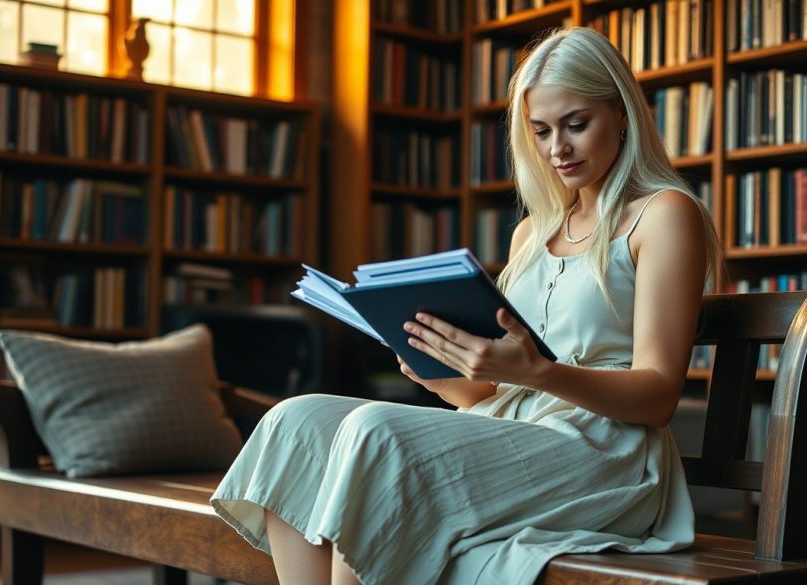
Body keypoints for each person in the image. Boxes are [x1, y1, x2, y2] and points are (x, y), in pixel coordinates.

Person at [211, 26, 721, 585]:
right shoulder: (532, 234)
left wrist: (542, 373)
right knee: (296, 420)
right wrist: (432, 365)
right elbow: (487, 395)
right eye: (541, 131)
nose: (558, 149)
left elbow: (658, 396)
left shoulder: (664, 215)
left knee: (376, 431)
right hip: (513, 429)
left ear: (622, 113)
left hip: (604, 454)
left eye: (577, 125)